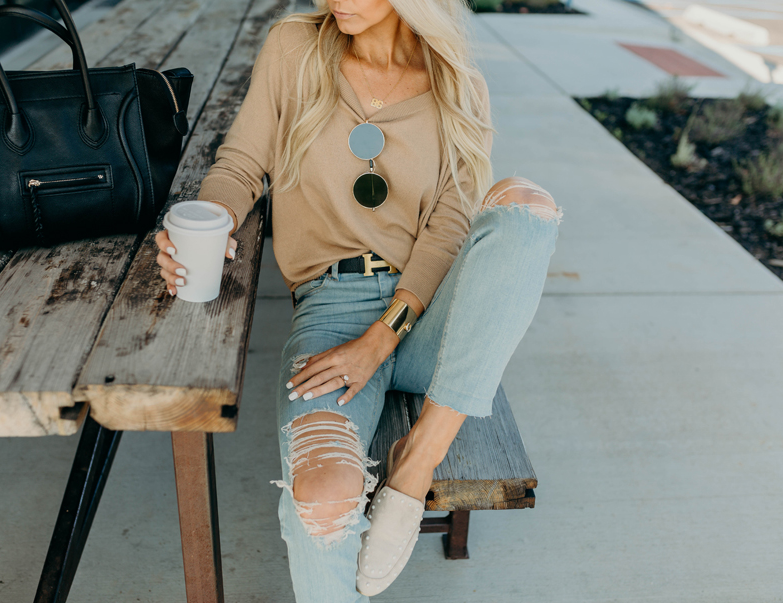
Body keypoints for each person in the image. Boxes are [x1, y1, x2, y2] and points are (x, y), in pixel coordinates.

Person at [154, 0, 562, 600]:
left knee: (526, 206)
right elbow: (242, 163)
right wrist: (207, 225)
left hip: (430, 315)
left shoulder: (458, 85)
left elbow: (450, 228)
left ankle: (414, 464)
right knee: (322, 496)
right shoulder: (295, 49)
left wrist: (384, 337)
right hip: (330, 306)